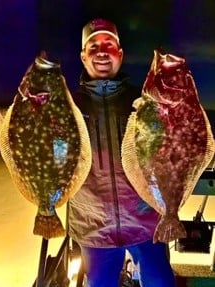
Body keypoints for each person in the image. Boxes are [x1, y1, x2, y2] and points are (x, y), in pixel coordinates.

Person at [68, 18, 176, 287]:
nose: (102, 52)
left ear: (120, 54)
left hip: (145, 221)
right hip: (93, 226)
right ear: (83, 57)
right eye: (93, 46)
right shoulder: (67, 106)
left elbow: (169, 149)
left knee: (161, 282)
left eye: (109, 44)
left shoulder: (144, 102)